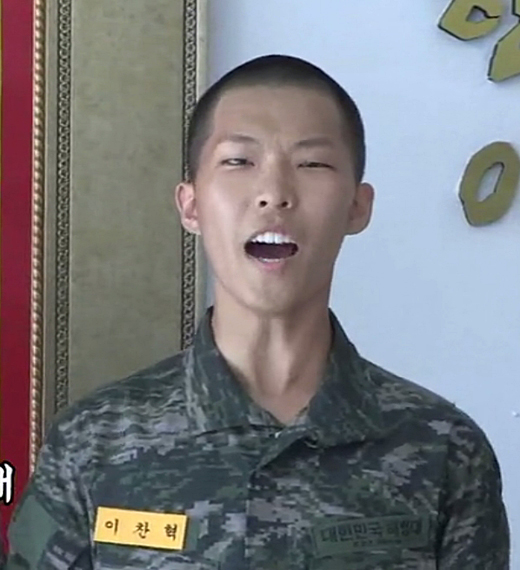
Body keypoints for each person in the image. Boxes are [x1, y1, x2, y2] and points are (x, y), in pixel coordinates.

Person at [6, 54, 509, 569]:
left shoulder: (442, 449)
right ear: (191, 205)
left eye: (311, 164)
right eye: (239, 162)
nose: (274, 194)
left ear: (357, 206)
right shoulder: (94, 442)